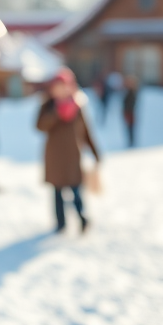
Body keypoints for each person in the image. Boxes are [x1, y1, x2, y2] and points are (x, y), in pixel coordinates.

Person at [36, 68, 100, 234]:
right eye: (57, 86)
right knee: (57, 192)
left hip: (72, 156)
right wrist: (56, 113)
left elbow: (86, 131)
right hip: (55, 156)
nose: (60, 90)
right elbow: (40, 126)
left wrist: (95, 152)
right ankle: (60, 223)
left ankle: (82, 217)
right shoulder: (48, 105)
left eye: (63, 86)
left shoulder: (78, 106)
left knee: (76, 190)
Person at [122, 75, 139, 148]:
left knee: (131, 128)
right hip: (127, 112)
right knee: (129, 128)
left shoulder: (132, 92)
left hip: (130, 113)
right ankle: (130, 141)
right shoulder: (128, 91)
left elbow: (131, 103)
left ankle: (131, 141)